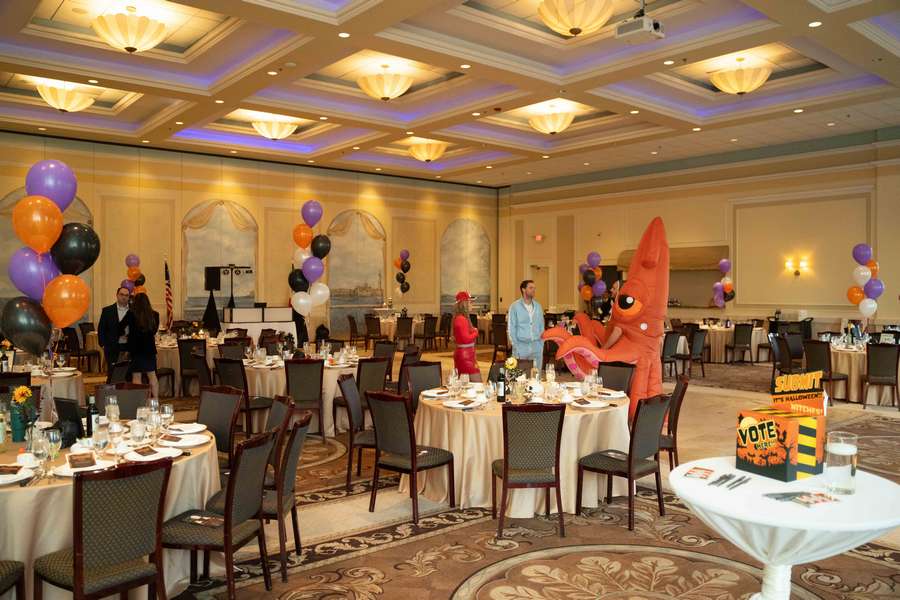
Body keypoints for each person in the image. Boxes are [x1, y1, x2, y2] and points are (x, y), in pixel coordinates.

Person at [121, 292, 160, 398]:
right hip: (149, 349)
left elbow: (120, 326)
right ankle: (155, 400)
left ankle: (139, 401)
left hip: (135, 350)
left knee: (136, 377)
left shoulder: (131, 314)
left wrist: (127, 335)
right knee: (152, 376)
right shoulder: (155, 314)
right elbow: (154, 331)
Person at [508, 280, 545, 371]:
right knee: (520, 375)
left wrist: (541, 344)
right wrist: (516, 346)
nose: (533, 290)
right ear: (523, 289)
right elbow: (511, 328)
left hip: (536, 346)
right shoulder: (514, 307)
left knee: (536, 375)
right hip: (521, 347)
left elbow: (541, 326)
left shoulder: (538, 306)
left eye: (534, 288)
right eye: (531, 288)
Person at [97, 286, 131, 380]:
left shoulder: (134, 310)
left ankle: (126, 389)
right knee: (112, 373)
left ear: (129, 297)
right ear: (117, 295)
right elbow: (101, 328)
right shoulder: (107, 311)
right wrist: (103, 344)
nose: (124, 297)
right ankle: (112, 389)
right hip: (112, 347)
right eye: (122, 294)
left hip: (129, 347)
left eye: (126, 295)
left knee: (128, 373)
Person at [452, 291, 479, 377]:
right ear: (464, 304)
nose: (472, 305)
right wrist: (476, 332)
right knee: (476, 382)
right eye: (470, 302)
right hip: (465, 356)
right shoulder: (461, 319)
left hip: (466, 354)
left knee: (466, 382)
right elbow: (465, 339)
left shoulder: (461, 318)